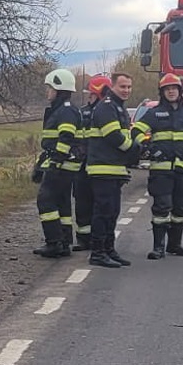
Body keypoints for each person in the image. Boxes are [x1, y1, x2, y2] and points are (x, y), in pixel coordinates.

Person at [131, 73, 183, 260]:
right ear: (162, 92)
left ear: (180, 90)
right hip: (161, 171)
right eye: (167, 89)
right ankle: (158, 247)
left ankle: (175, 245)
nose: (171, 92)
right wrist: (148, 147)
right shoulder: (154, 113)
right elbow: (135, 130)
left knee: (180, 209)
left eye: (174, 88)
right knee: (162, 207)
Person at [84, 72, 139, 268]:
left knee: (112, 211)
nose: (126, 91)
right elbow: (113, 136)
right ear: (112, 87)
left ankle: (109, 249)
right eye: (122, 87)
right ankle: (98, 253)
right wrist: (133, 149)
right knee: (103, 211)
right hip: (103, 168)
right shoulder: (107, 107)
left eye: (129, 87)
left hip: (114, 168)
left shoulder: (118, 108)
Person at [33, 68, 83, 258]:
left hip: (62, 165)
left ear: (59, 89)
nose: (47, 92)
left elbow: (66, 137)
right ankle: (63, 242)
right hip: (63, 165)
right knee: (61, 203)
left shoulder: (65, 111)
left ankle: (53, 242)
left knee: (45, 200)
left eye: (50, 88)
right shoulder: (64, 109)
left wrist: (55, 163)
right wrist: (41, 164)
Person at [71, 73, 111, 253]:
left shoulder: (110, 113)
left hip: (101, 165)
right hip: (82, 166)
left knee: (100, 204)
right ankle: (83, 239)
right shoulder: (81, 112)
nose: (89, 97)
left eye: (91, 93)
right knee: (81, 202)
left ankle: (98, 239)